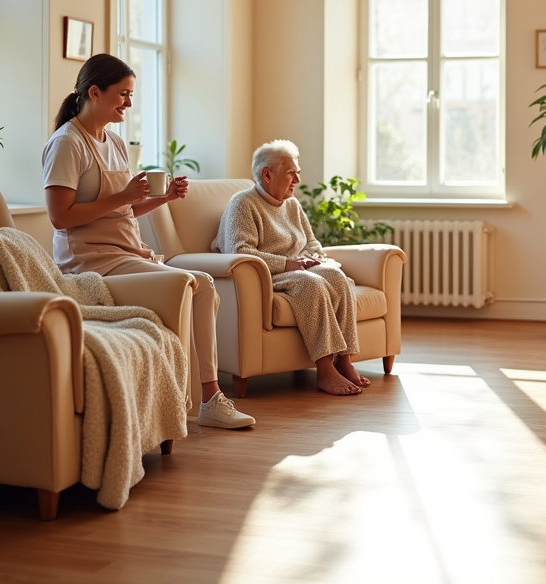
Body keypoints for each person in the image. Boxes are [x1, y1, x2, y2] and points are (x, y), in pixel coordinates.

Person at [42, 53, 254, 429]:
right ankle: (208, 398)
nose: (128, 103)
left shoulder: (116, 142)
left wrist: (162, 199)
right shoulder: (66, 144)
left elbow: (119, 212)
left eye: (131, 95)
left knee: (203, 290)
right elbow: (61, 218)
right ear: (94, 92)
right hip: (91, 263)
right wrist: (124, 197)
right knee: (201, 285)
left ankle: (192, 396)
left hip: (125, 255)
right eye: (122, 94)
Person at [212, 140, 369, 396]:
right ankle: (325, 369)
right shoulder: (243, 204)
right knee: (313, 283)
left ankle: (345, 361)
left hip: (297, 268)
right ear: (267, 174)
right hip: (266, 275)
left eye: (297, 171)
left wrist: (311, 259)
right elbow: (240, 253)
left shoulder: (292, 204)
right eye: (291, 173)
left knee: (336, 276)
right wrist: (289, 264)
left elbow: (312, 241)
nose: (297, 179)